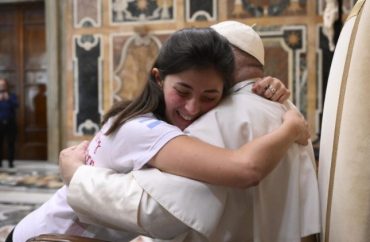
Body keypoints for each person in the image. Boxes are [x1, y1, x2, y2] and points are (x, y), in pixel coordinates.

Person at [9, 27, 308, 242]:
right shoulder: (147, 131)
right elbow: (246, 170)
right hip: (43, 235)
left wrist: (267, 86)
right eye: (183, 91)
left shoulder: (134, 116)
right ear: (158, 77)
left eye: (210, 96)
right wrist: (291, 128)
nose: (193, 108)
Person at [0, 78, 18, 169]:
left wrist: (9, 99)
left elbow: (16, 105)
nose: (2, 86)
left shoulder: (12, 95)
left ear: (6, 85)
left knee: (11, 143)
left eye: (3, 84)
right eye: (0, 84)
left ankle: (11, 162)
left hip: (10, 123)